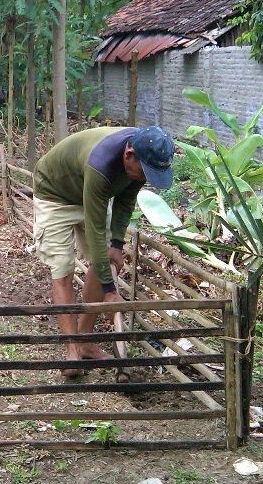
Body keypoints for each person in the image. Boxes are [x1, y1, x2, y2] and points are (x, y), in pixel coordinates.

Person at [30, 125, 174, 377]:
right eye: (144, 172)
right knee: (63, 268)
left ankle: (86, 341)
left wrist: (117, 245)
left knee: (104, 261)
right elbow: (96, 231)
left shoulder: (143, 156)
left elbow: (126, 201)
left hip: (91, 192)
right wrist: (109, 291)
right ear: (129, 154)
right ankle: (71, 351)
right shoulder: (101, 162)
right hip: (56, 194)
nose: (144, 178)